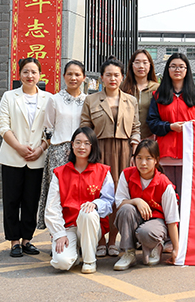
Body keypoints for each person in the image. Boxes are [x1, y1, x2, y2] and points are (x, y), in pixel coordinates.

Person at [80, 58, 141, 258]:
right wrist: (89, 151)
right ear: (102, 77)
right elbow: (85, 126)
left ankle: (114, 240)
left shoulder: (131, 100)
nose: (113, 78)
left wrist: (134, 150)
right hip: (99, 150)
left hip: (124, 150)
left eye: (116, 75)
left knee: (118, 194)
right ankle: (100, 239)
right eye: (108, 75)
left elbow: (136, 127)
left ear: (122, 77)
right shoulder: (91, 100)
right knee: (97, 193)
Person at [0, 57, 54, 258]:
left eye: (34, 72)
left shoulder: (48, 98)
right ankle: (14, 241)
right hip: (12, 156)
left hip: (37, 157)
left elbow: (51, 128)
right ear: (19, 74)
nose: (30, 76)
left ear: (40, 75)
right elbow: (2, 125)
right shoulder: (9, 96)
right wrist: (19, 147)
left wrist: (41, 148)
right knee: (11, 200)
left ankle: (27, 239)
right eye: (26, 72)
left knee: (31, 200)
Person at [45, 127, 115, 274]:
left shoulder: (103, 171)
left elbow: (108, 201)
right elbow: (52, 207)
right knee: (61, 263)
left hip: (91, 226)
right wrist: (59, 234)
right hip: (68, 227)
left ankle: (89, 261)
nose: (81, 147)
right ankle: (74, 254)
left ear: (92, 146)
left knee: (87, 212)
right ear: (72, 145)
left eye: (86, 143)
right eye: (78, 142)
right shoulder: (60, 173)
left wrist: (95, 204)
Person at [113, 138, 180, 271]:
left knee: (145, 232)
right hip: (135, 217)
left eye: (148, 158)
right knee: (126, 209)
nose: (143, 163)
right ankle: (129, 253)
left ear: (156, 160)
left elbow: (172, 219)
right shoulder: (126, 174)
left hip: (156, 222)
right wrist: (136, 201)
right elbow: (119, 203)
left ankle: (155, 245)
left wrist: (176, 249)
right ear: (134, 159)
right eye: (139, 158)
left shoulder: (164, 184)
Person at [147, 52, 195, 195]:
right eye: (173, 66)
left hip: (189, 154)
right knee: (166, 195)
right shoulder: (158, 95)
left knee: (187, 195)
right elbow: (152, 123)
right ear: (167, 69)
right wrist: (170, 127)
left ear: (187, 70)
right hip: (164, 155)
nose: (177, 69)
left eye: (181, 66)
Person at [37, 60, 87, 232]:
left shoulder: (88, 101)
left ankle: (77, 233)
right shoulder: (54, 100)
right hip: (58, 152)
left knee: (79, 193)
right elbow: (48, 128)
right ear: (64, 76)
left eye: (77, 74)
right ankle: (56, 235)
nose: (73, 78)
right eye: (70, 74)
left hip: (81, 152)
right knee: (57, 195)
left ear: (84, 77)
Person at [122, 49, 160, 140]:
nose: (141, 66)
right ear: (131, 65)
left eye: (145, 63)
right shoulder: (122, 88)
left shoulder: (157, 88)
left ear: (150, 66)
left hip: (150, 139)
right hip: (126, 138)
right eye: (137, 62)